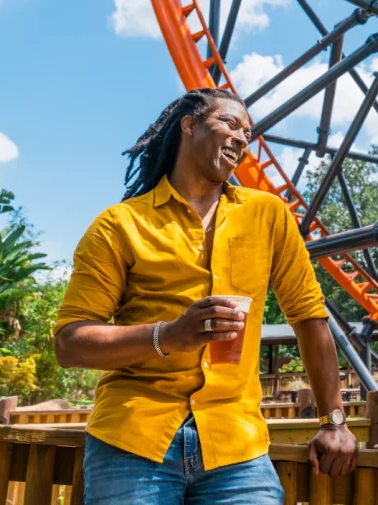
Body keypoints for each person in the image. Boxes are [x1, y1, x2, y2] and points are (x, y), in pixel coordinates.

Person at [53, 88, 357, 505]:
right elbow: (70, 342)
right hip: (133, 441)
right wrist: (170, 336)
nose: (242, 139)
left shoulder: (268, 214)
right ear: (189, 124)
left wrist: (334, 420)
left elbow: (308, 316)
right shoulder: (119, 225)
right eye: (230, 123)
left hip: (236, 447)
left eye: (248, 134)